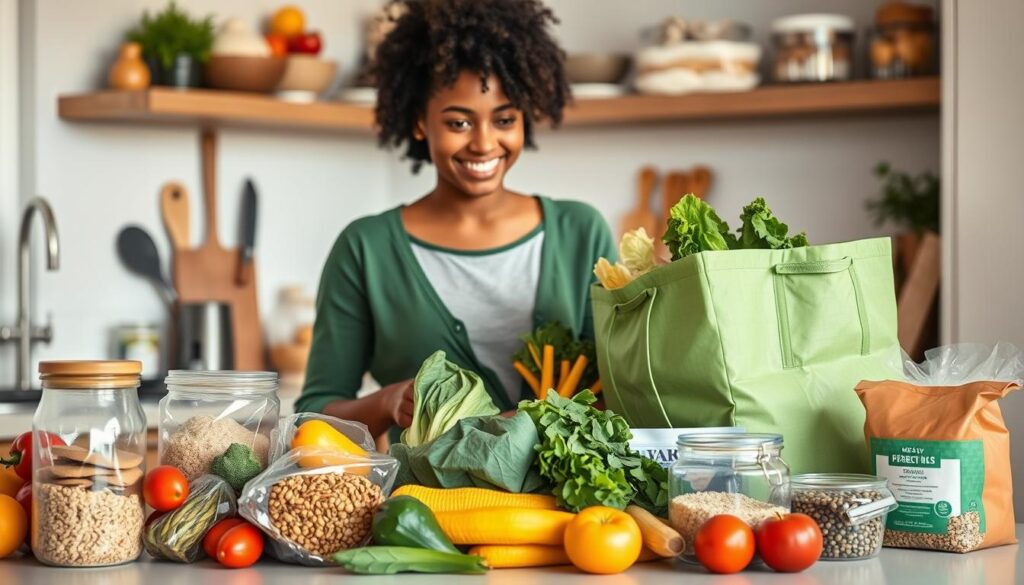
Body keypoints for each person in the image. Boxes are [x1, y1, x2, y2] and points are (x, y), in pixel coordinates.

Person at [295, 0, 615, 443]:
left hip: (561, 509)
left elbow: (618, 393)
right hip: (422, 507)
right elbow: (314, 415)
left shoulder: (581, 232)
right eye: (459, 122)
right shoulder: (365, 249)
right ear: (420, 123)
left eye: (504, 120)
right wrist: (387, 402)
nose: (484, 143)